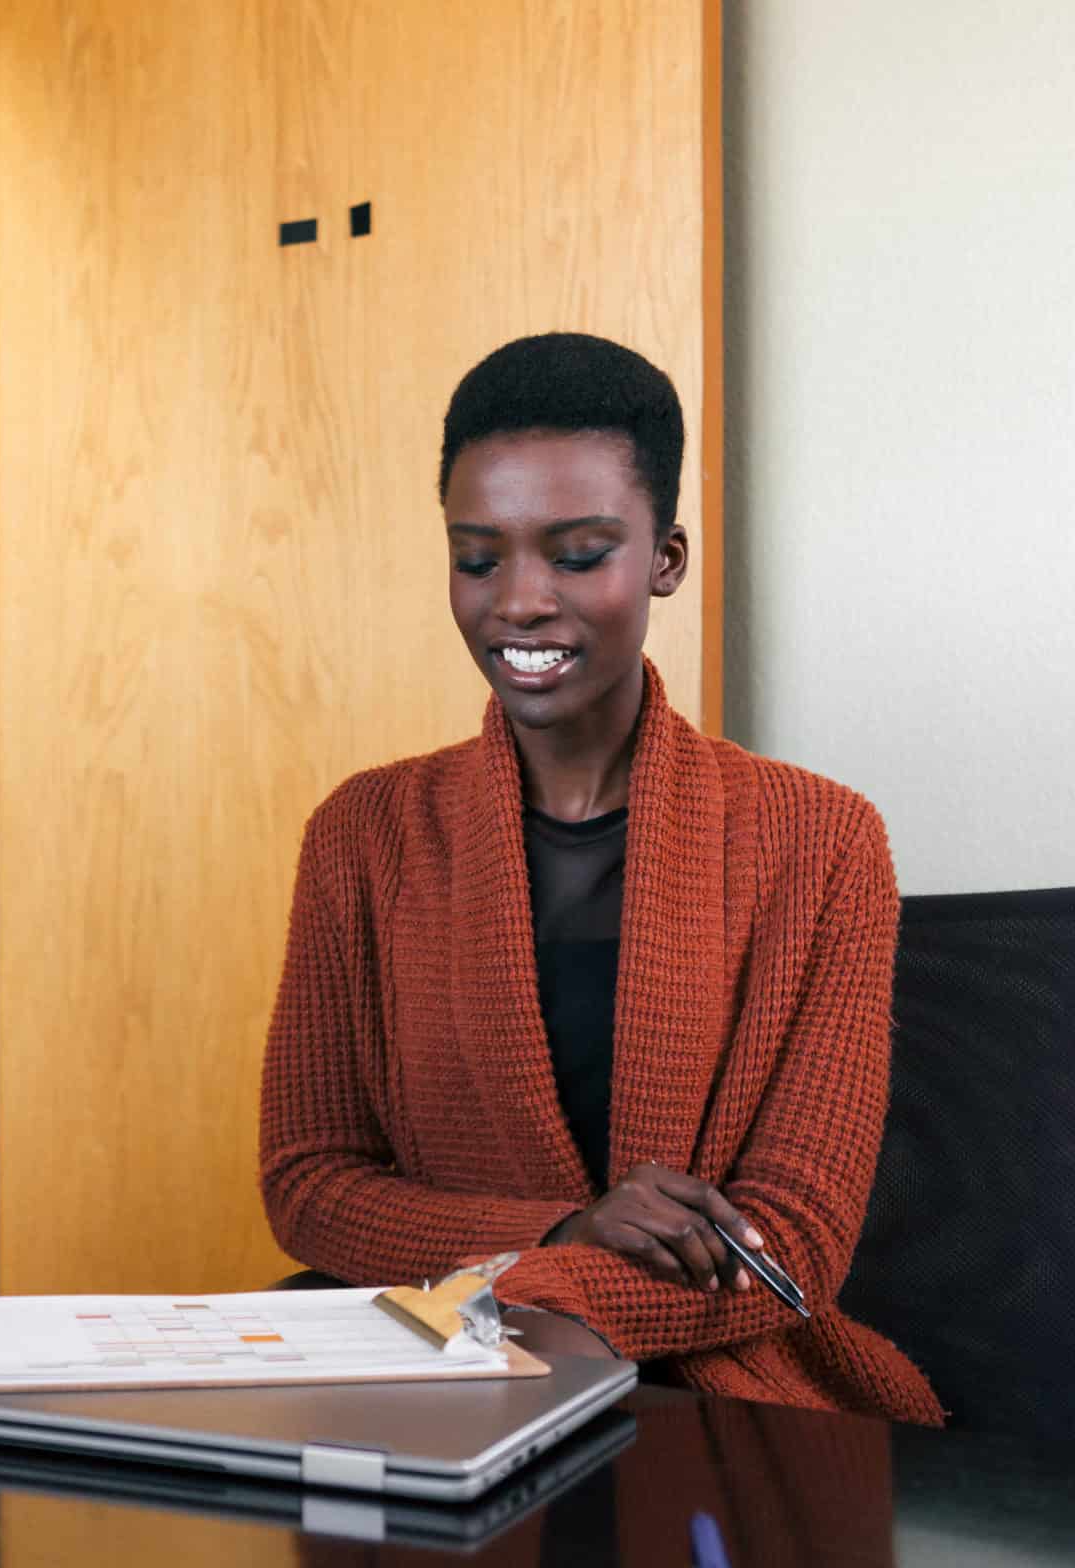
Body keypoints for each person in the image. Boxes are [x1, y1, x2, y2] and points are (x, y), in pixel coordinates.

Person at [258, 332, 939, 1424]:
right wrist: (559, 1232)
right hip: (436, 1396)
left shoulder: (821, 841)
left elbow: (793, 1239)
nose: (518, 600)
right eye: (478, 558)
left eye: (577, 554)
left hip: (715, 1407)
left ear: (664, 558)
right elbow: (310, 1181)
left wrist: (530, 1301)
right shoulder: (364, 834)